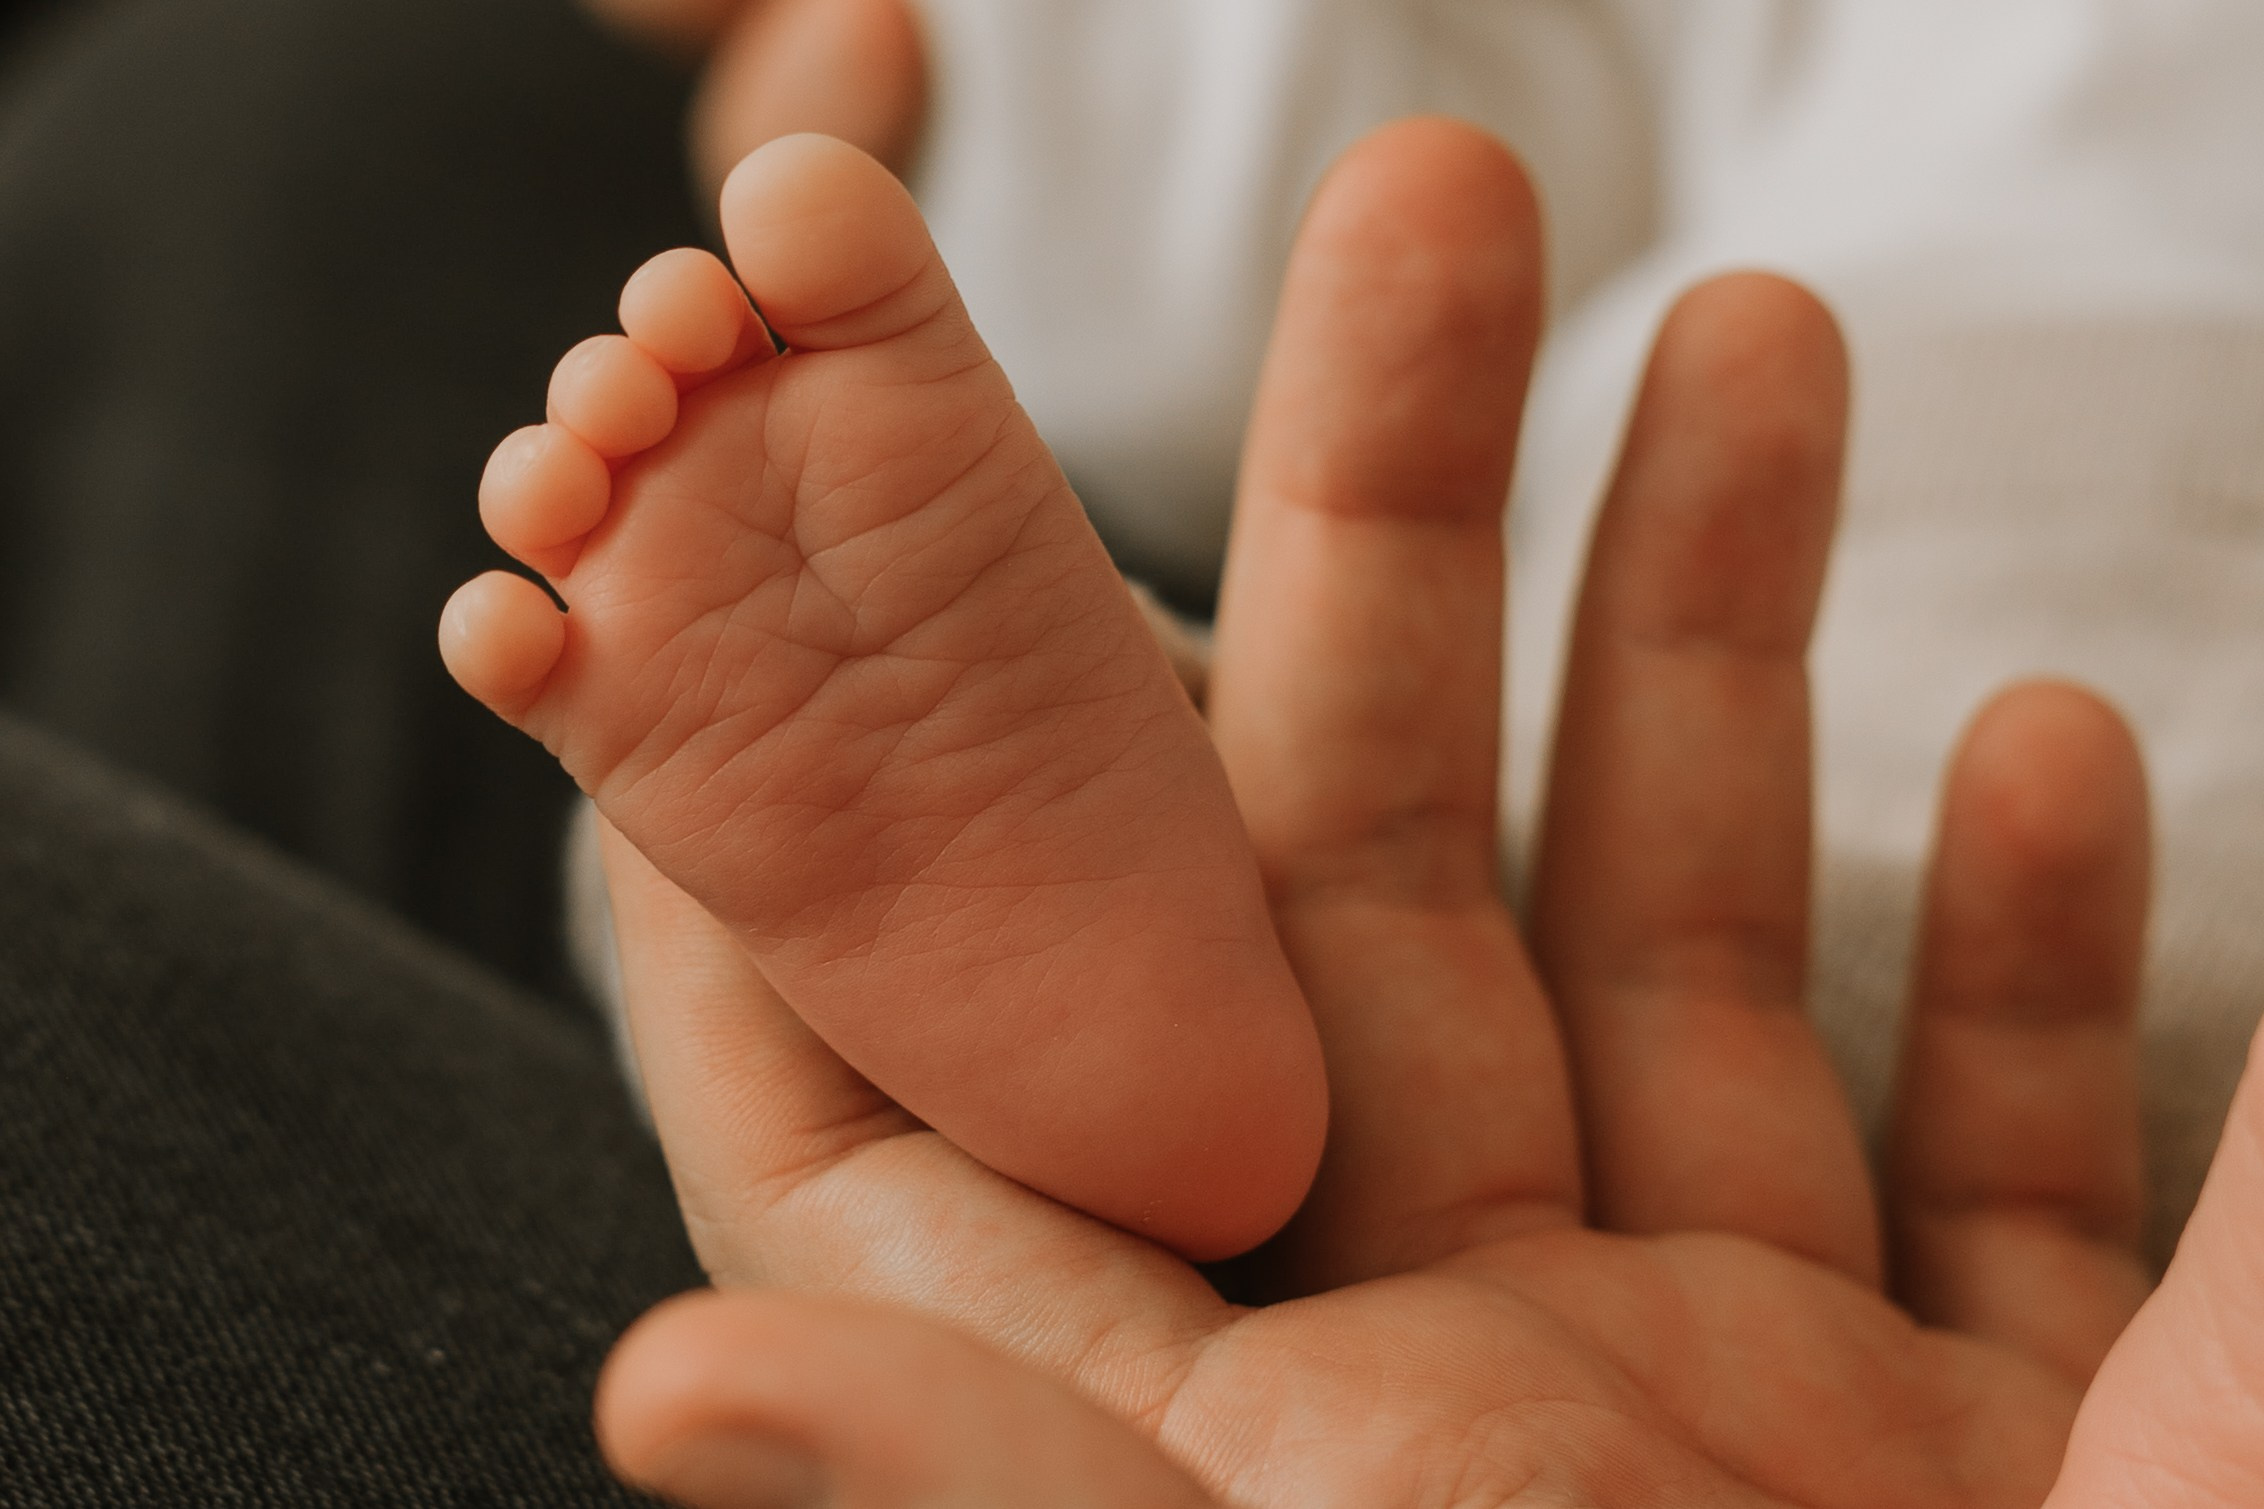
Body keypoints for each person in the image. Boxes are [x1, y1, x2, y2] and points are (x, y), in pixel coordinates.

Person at [443, 116, 2254, 1505]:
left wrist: (983, 90)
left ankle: (1126, 1002)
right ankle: (1119, 972)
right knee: (1410, 863)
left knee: (1377, 851)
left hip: (1799, 917)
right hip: (1870, 1011)